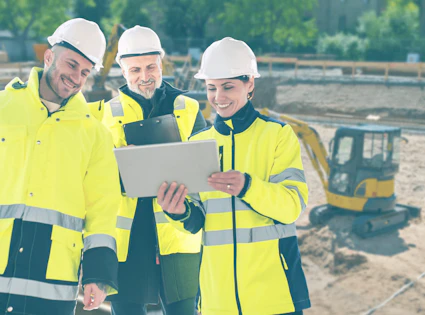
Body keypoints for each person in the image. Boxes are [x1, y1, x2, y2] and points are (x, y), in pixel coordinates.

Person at [158, 37, 311, 315]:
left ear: (250, 84)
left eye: (228, 87)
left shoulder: (277, 135)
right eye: (211, 88)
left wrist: (248, 187)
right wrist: (178, 212)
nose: (219, 97)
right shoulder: (197, 143)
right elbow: (196, 223)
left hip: (274, 297)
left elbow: (292, 207)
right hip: (218, 301)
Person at [0, 18, 121, 315]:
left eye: (85, 72)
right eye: (71, 65)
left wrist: (98, 275)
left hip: (53, 276)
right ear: (49, 56)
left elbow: (102, 209)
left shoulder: (95, 134)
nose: (76, 78)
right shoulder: (3, 108)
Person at [89, 26, 206, 315]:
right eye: (135, 69)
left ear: (161, 61)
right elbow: (94, 178)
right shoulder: (105, 113)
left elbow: (204, 173)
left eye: (151, 66)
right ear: (122, 69)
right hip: (128, 245)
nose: (145, 76)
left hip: (179, 239)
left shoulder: (188, 109)